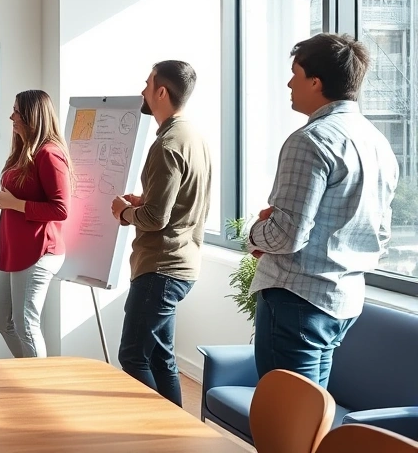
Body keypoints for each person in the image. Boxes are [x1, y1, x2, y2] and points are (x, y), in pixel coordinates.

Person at [247, 33, 398, 388]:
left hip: (296, 300)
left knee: (284, 421)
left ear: (315, 82)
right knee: (311, 418)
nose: (289, 82)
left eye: (295, 73)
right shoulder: (378, 142)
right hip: (343, 301)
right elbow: (381, 235)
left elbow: (286, 235)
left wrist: (256, 231)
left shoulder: (311, 139)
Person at [110, 60, 212, 407]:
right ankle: (177, 437)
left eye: (147, 83)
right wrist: (144, 201)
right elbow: (177, 202)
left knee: (133, 356)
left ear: (161, 92)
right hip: (182, 263)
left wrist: (124, 212)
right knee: (160, 358)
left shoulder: (167, 144)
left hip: (161, 267)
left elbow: (155, 218)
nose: (142, 90)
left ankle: (152, 433)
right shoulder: (193, 137)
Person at [0, 90, 71, 358]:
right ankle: (28, 372)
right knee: (1, 317)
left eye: (16, 111)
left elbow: (61, 209)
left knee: (26, 325)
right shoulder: (25, 151)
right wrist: (7, 201)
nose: (11, 116)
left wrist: (14, 204)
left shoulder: (49, 154)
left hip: (38, 251)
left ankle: (40, 385)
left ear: (31, 116)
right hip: (19, 251)